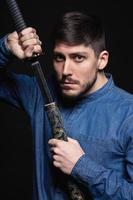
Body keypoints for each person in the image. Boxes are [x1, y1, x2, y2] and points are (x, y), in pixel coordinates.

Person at [0, 10, 133, 200]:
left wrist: (81, 166)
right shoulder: (38, 93)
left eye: (78, 57)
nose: (66, 71)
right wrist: (5, 47)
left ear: (101, 60)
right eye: (59, 58)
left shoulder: (129, 115)